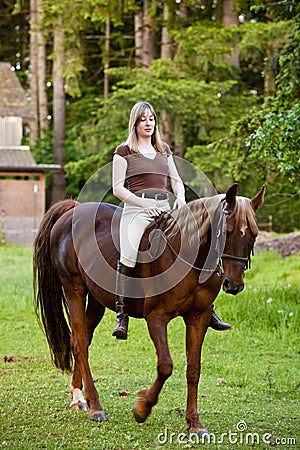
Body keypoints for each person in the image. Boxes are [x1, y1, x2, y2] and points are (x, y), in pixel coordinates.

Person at [112, 101, 231, 339]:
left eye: (151, 119)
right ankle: (122, 314)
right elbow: (118, 189)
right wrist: (145, 205)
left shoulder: (163, 149)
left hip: (166, 207)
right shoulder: (124, 151)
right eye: (143, 119)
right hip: (137, 209)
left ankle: (208, 307)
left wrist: (181, 198)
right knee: (129, 249)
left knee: (195, 245)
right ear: (135, 123)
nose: (148, 123)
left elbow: (176, 180)